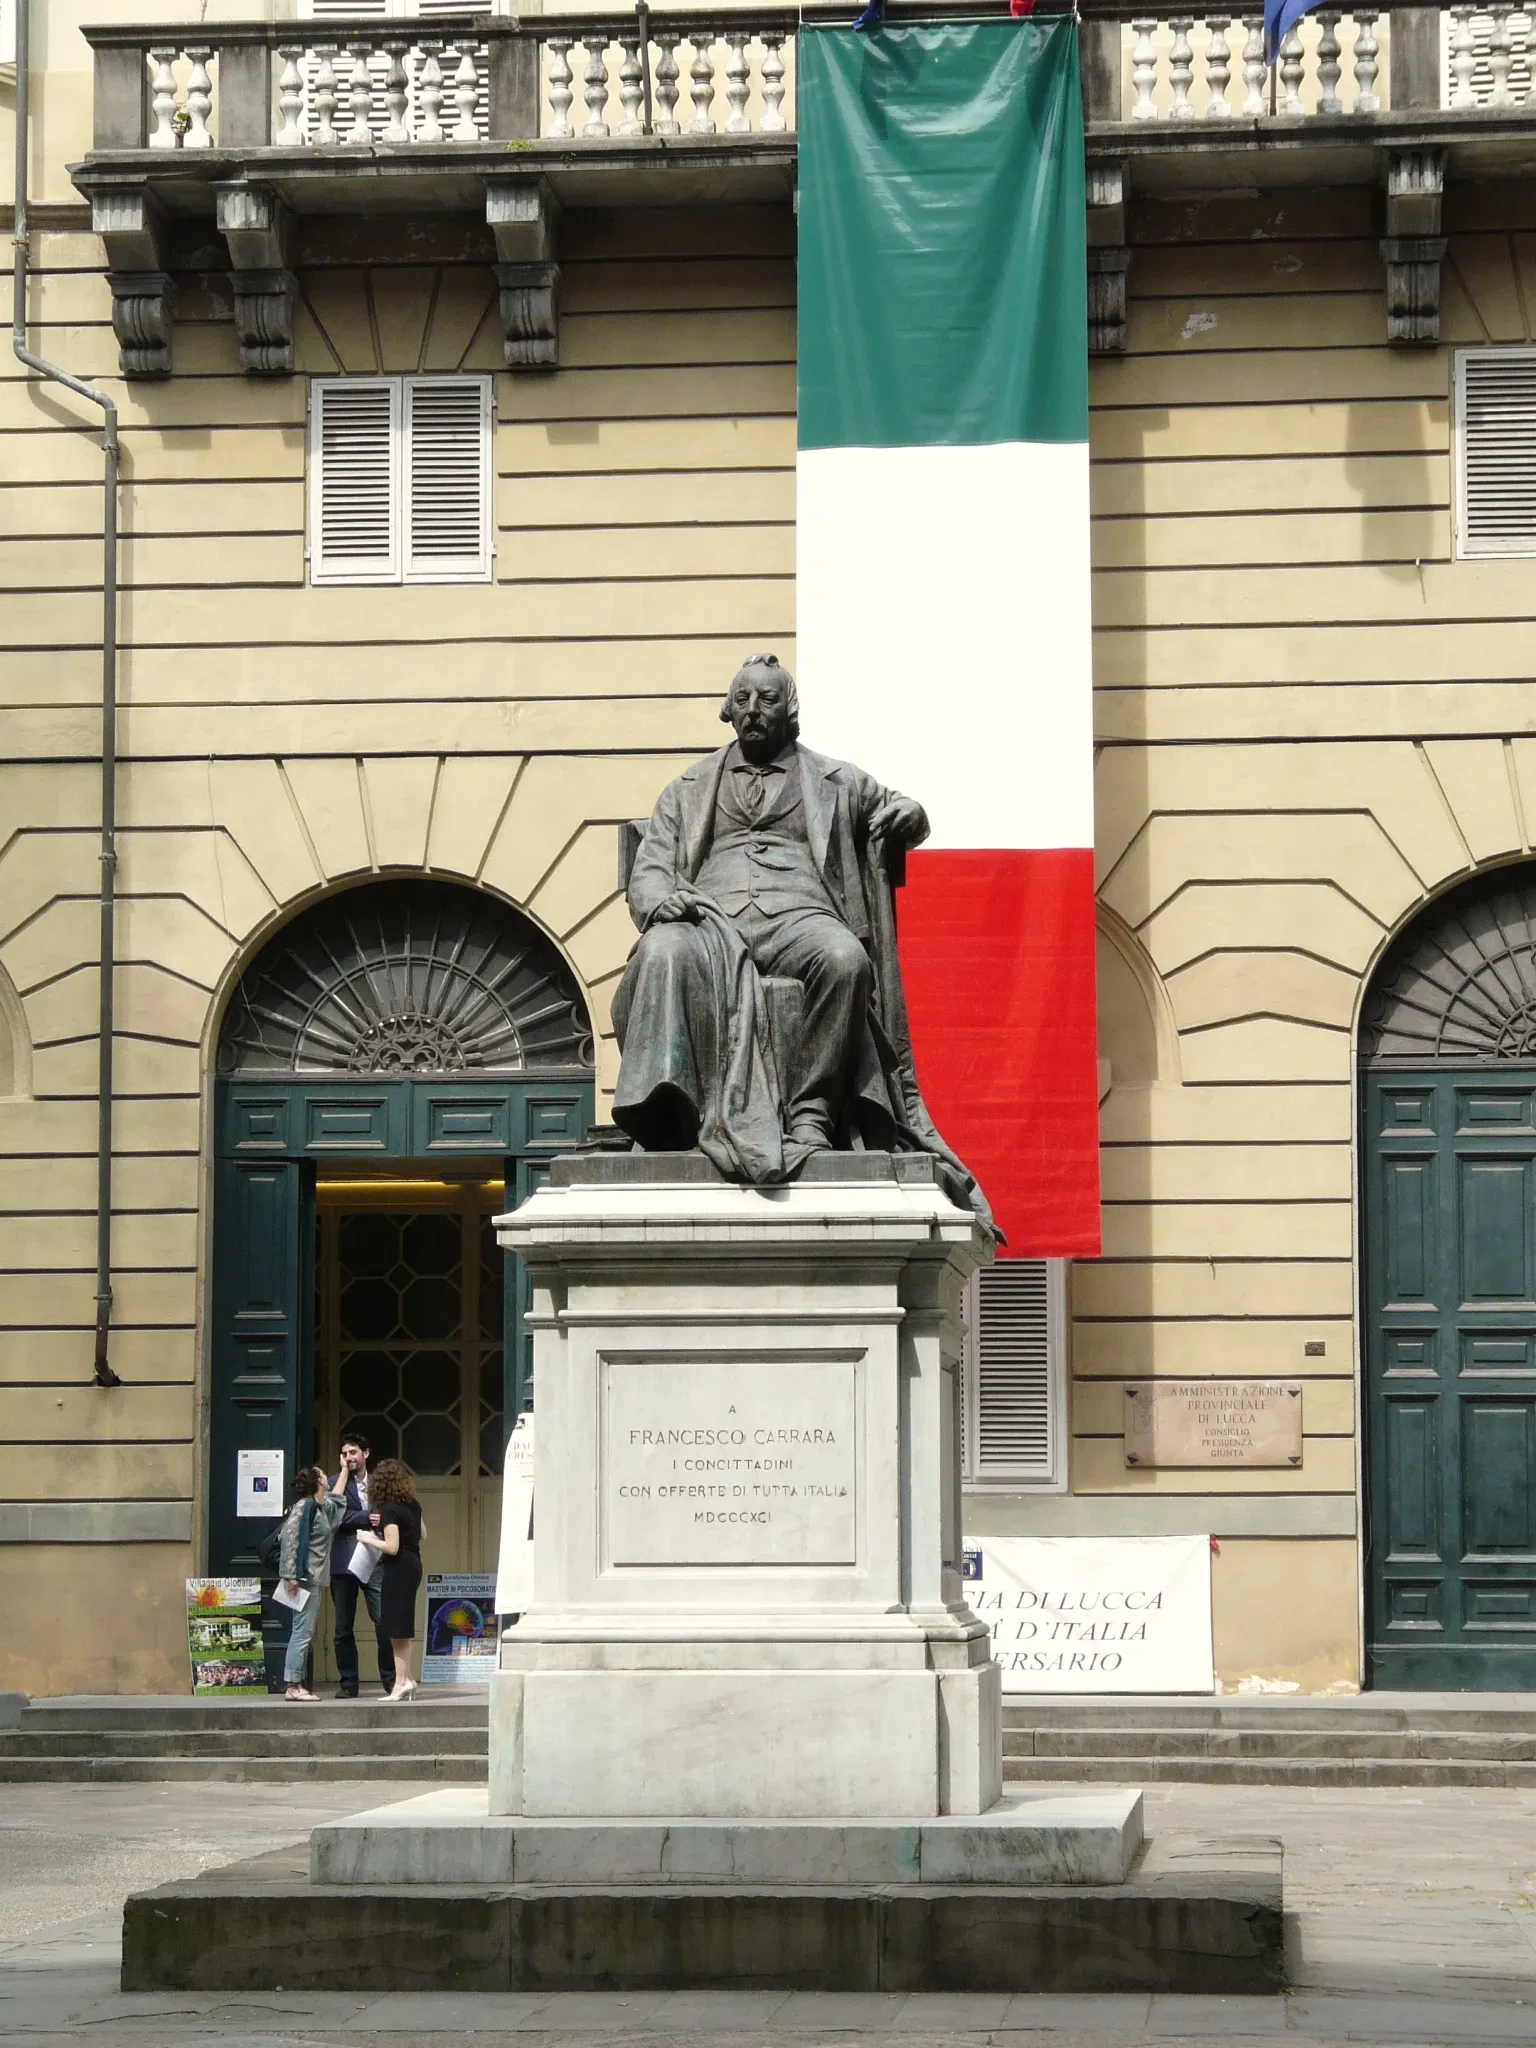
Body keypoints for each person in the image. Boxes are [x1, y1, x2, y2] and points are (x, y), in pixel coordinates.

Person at [611, 653, 988, 1223]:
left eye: (766, 699)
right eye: (742, 700)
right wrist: (661, 899)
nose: (753, 711)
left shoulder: (836, 780)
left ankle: (810, 1114)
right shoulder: (687, 789)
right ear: (727, 710)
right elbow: (652, 867)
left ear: (790, 709)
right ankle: (670, 1116)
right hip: (712, 918)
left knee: (845, 960)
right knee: (663, 949)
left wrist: (912, 815)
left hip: (800, 916)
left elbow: (902, 810)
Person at [329, 1431, 396, 1699]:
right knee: (342, 1627)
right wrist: (368, 1517)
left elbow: (389, 1513)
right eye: (344, 1454)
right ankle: (348, 1684)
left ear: (365, 1454)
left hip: (375, 1557)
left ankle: (391, 1682)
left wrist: (362, 1518)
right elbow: (336, 1517)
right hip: (343, 1563)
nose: (348, 1458)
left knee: (383, 1622)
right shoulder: (335, 1483)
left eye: (353, 1453)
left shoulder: (380, 1483)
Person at [352, 1458, 424, 1704]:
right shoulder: (413, 1504)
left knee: (396, 1628)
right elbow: (423, 1534)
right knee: (401, 1627)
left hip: (399, 1568)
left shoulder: (389, 1508)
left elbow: (392, 1547)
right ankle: (407, 1679)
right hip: (414, 1564)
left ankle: (401, 1683)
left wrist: (367, 1538)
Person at [278, 1463, 348, 1704]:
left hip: (314, 1578)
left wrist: (345, 1469)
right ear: (318, 1481)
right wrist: (291, 1575)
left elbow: (337, 1500)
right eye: (322, 1474)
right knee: (301, 1631)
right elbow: (290, 1539)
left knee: (305, 1631)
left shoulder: (320, 1507)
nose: (327, 1476)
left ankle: (295, 1683)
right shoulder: (305, 1506)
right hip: (304, 1579)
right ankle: (293, 1685)